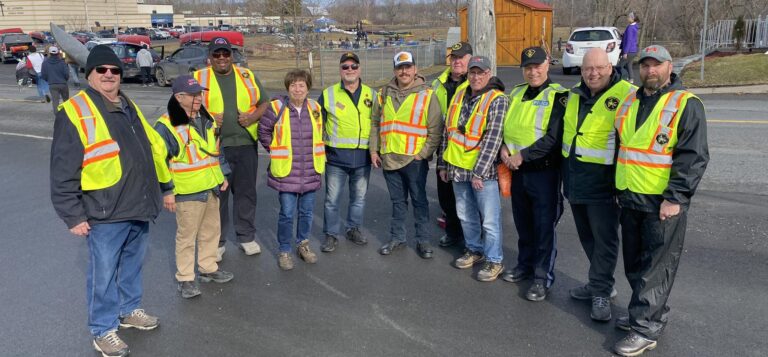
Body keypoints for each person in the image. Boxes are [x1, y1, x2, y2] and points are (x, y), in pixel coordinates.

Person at [50, 45, 172, 357]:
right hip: (105, 210)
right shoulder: (75, 111)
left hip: (138, 203)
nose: (108, 75)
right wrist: (72, 215)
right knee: (103, 274)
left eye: (114, 70)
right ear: (89, 74)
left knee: (131, 266)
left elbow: (151, 149)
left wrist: (164, 187)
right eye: (101, 70)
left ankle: (129, 311)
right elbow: (63, 168)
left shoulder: (127, 104)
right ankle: (103, 329)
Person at [612, 45, 709, 356]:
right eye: (645, 65)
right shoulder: (630, 100)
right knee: (635, 264)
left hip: (662, 203)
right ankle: (647, 312)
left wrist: (675, 197)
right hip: (630, 196)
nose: (650, 71)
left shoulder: (686, 104)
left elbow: (693, 158)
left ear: (670, 67)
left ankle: (645, 328)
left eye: (656, 65)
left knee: (657, 267)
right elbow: (624, 147)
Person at [561, 48, 637, 321]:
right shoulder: (574, 96)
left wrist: (622, 187)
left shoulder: (628, 95)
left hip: (605, 186)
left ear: (610, 66)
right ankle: (599, 283)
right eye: (587, 69)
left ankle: (602, 292)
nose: (593, 73)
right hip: (575, 182)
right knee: (587, 238)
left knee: (604, 241)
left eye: (598, 68)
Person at [153, 75, 234, 299]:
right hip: (187, 190)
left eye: (200, 93)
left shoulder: (205, 116)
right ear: (179, 97)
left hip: (211, 185)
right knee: (186, 237)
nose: (199, 97)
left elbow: (217, 148)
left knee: (211, 231)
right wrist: (167, 191)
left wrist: (222, 174)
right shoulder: (166, 125)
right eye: (193, 94)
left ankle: (208, 268)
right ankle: (186, 278)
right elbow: (158, 161)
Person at [500, 47, 568, 301]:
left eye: (537, 66)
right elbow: (506, 128)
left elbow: (553, 136)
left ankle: (542, 278)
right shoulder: (516, 92)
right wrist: (504, 148)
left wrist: (523, 155)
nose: (533, 71)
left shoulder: (559, 96)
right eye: (528, 67)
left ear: (548, 65)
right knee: (523, 224)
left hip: (544, 173)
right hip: (517, 171)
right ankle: (525, 265)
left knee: (543, 227)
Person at [194, 37, 269, 261]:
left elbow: (265, 102)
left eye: (225, 53)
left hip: (245, 143)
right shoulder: (198, 77)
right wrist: (206, 117)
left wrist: (253, 116)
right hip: (215, 147)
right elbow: (183, 105)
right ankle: (217, 241)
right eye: (217, 54)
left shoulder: (246, 75)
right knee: (218, 196)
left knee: (246, 192)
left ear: (232, 55)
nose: (222, 58)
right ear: (210, 57)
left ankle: (246, 237)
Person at [438, 56, 509, 281]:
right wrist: (442, 163)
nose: (476, 77)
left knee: (489, 220)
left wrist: (479, 171)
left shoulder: (497, 100)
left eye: (481, 73)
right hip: (457, 168)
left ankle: (494, 260)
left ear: (489, 73)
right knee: (465, 215)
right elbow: (447, 131)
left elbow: (493, 138)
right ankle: (474, 249)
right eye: (472, 73)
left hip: (482, 174)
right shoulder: (460, 94)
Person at [370, 51, 443, 258]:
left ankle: (423, 240)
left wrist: (423, 153)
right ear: (394, 70)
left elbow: (435, 129)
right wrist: (374, 150)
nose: (404, 71)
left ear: (415, 69)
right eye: (400, 67)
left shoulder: (427, 95)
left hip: (414, 160)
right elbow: (375, 123)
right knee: (397, 202)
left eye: (408, 67)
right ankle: (397, 238)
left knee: (420, 201)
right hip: (389, 158)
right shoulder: (383, 94)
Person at [257, 70, 323, 270]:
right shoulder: (277, 107)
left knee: (307, 212)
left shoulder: (315, 107)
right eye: (293, 85)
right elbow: (263, 131)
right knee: (286, 213)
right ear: (287, 87)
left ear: (308, 88)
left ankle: (303, 245)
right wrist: (276, 150)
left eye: (301, 85)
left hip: (310, 170)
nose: (297, 89)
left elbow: (322, 131)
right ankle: (284, 250)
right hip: (287, 171)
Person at [317, 52, 374, 252]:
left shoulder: (372, 94)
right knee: (332, 200)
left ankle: (353, 229)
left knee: (358, 199)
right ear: (340, 70)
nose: (349, 70)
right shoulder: (328, 94)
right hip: (336, 159)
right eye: (345, 67)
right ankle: (331, 235)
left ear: (360, 69)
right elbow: (317, 125)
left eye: (353, 66)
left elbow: (376, 125)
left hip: (362, 158)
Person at [431, 41, 472, 248]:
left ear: (470, 59)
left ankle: (471, 237)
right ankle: (452, 232)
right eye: (454, 58)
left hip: (468, 147)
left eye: (461, 58)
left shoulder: (476, 81)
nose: (457, 61)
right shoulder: (438, 83)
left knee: (467, 197)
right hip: (444, 144)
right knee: (445, 193)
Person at [41, 46, 70, 114]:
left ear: (50, 53)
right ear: (57, 53)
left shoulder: (45, 63)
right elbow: (66, 74)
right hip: (63, 83)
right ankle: (68, 114)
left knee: (55, 101)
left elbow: (43, 75)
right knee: (66, 100)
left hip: (52, 84)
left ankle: (57, 115)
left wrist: (49, 80)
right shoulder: (62, 62)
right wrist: (65, 80)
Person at [619, 12, 640, 83]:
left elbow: (629, 41)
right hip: (634, 50)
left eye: (629, 17)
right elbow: (630, 37)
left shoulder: (630, 28)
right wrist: (624, 35)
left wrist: (625, 52)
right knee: (628, 64)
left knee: (620, 66)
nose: (627, 18)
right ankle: (631, 79)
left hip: (629, 51)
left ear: (633, 18)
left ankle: (620, 80)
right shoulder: (635, 27)